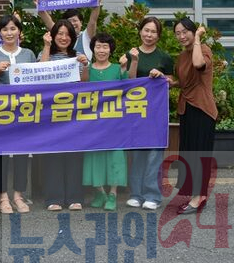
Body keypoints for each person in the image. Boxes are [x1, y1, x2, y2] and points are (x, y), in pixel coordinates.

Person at [0, 14, 38, 214]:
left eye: (13, 28)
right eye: (5, 29)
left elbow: (37, 81)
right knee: (1, 155)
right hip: (1, 112)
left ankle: (18, 195)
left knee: (21, 154)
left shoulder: (28, 54)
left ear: (19, 31)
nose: (9, 33)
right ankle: (3, 196)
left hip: (23, 112)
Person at [125, 16, 174, 211]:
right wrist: (134, 61)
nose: (149, 34)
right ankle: (136, 194)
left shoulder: (164, 57)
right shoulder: (131, 54)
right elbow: (128, 81)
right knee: (137, 154)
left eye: (153, 31)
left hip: (156, 113)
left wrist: (161, 76)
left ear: (158, 36)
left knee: (154, 154)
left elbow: (171, 81)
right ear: (140, 31)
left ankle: (153, 195)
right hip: (136, 113)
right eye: (146, 30)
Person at [39, 20, 90, 211]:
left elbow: (85, 84)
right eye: (59, 33)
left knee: (74, 155)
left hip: (73, 113)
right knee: (53, 155)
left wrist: (85, 66)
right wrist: (46, 46)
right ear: (53, 36)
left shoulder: (77, 56)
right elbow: (39, 74)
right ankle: (54, 198)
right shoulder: (44, 54)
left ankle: (75, 197)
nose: (63, 37)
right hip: (50, 113)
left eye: (67, 34)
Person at [172, 18, 216, 214]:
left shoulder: (203, 49)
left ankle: (198, 199)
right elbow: (184, 82)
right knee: (190, 153)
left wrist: (198, 38)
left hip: (202, 108)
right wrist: (171, 82)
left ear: (193, 31)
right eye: (177, 33)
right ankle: (197, 196)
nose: (181, 36)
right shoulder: (182, 56)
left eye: (185, 32)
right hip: (187, 108)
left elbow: (198, 64)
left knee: (199, 154)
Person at [83, 33, 128, 211]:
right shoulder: (88, 69)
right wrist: (84, 67)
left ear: (111, 50)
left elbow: (128, 89)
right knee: (94, 157)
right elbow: (81, 87)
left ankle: (113, 194)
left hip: (114, 122)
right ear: (93, 49)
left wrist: (125, 68)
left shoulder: (117, 68)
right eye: (98, 46)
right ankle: (100, 192)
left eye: (105, 47)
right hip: (92, 123)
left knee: (115, 157)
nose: (101, 50)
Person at [38, 0, 103, 60]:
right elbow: (48, 22)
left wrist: (97, 2)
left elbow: (93, 21)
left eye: (74, 20)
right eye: (69, 21)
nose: (72, 23)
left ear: (81, 22)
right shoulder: (60, 34)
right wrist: (39, 3)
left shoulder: (86, 36)